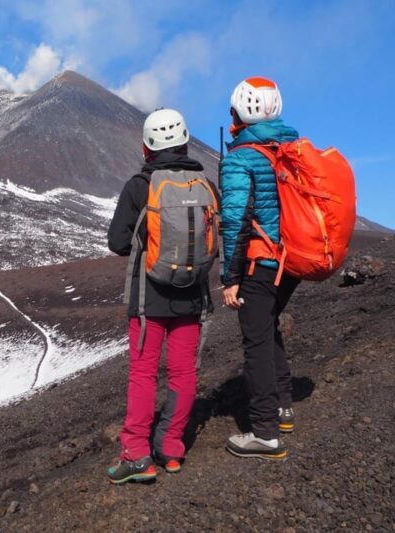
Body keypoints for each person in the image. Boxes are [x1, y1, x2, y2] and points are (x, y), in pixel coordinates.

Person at [106, 108, 217, 484]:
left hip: (147, 298)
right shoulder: (205, 185)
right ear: (186, 141)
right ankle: (171, 447)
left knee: (143, 373)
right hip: (193, 296)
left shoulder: (140, 185)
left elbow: (117, 242)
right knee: (184, 371)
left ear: (146, 146)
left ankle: (136, 454)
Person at [220, 77, 299, 459]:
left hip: (260, 261)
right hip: (292, 261)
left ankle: (265, 433)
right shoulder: (292, 147)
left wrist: (230, 278)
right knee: (267, 329)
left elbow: (235, 219)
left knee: (255, 342)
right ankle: (283, 406)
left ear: (242, 111)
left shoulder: (241, 157)